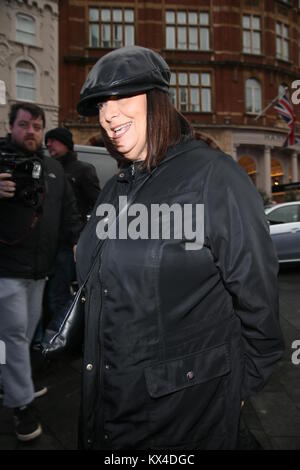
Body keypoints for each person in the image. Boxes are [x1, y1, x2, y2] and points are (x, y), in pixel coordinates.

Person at [75, 46, 284, 450]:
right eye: (101, 104)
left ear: (157, 99)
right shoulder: (113, 189)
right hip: (109, 405)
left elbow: (259, 306)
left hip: (185, 420)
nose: (107, 114)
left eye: (120, 97)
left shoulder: (215, 177)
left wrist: (232, 391)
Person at [0, 103, 83, 442]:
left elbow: (68, 211)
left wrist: (80, 243)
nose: (30, 131)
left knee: (19, 332)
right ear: (11, 127)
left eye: (36, 125)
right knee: (16, 335)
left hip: (40, 270)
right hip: (5, 268)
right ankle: (20, 405)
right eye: (23, 125)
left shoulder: (52, 168)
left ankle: (10, 381)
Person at [33, 127, 100, 343]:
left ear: (66, 144)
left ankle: (61, 342)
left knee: (57, 298)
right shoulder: (45, 169)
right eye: (47, 141)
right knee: (41, 298)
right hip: (45, 245)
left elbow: (98, 207)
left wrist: (81, 237)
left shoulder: (83, 170)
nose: (49, 145)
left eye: (53, 141)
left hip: (67, 245)